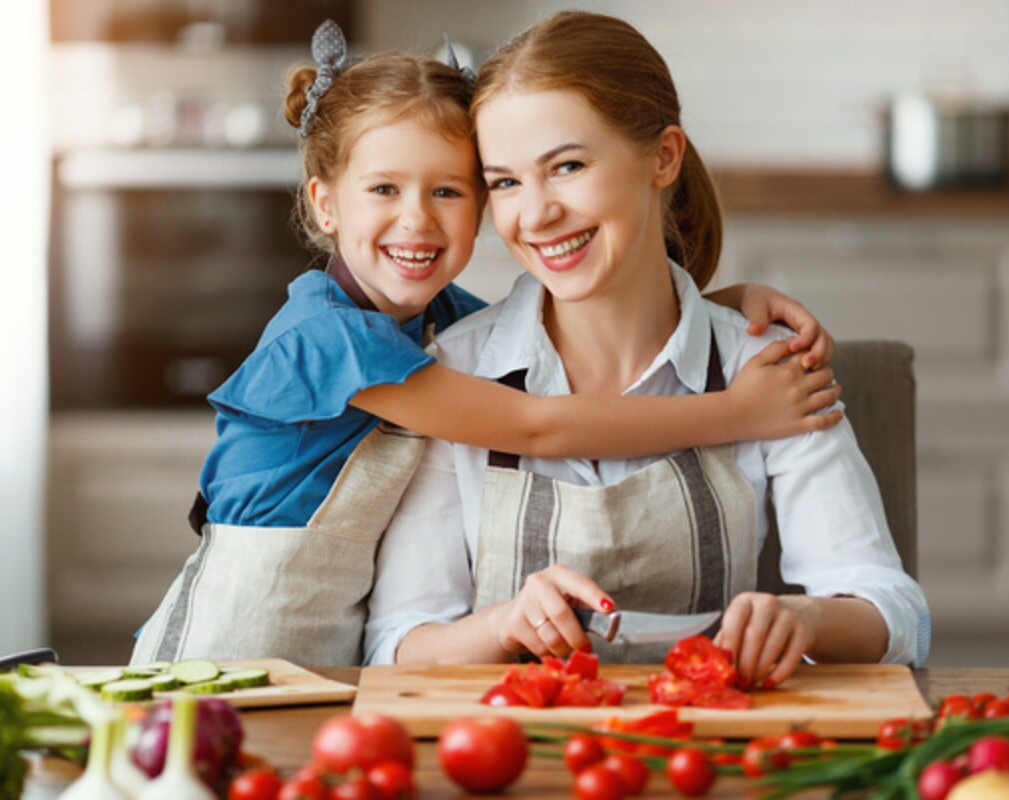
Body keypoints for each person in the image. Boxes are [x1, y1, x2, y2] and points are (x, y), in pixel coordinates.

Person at [130, 21, 841, 666]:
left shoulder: (441, 319)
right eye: (384, 189)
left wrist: (717, 312)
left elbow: (570, 319)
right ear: (325, 203)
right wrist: (738, 413)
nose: (418, 220)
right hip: (223, 651)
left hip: (327, 665)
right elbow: (537, 425)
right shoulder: (328, 338)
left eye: (449, 191)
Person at [364, 11, 930, 685]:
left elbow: (896, 614)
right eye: (506, 182)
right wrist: (501, 625)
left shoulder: (766, 368)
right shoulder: (454, 374)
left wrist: (805, 618)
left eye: (567, 166)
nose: (536, 214)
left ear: (663, 157)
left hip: (711, 742)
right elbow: (394, 645)